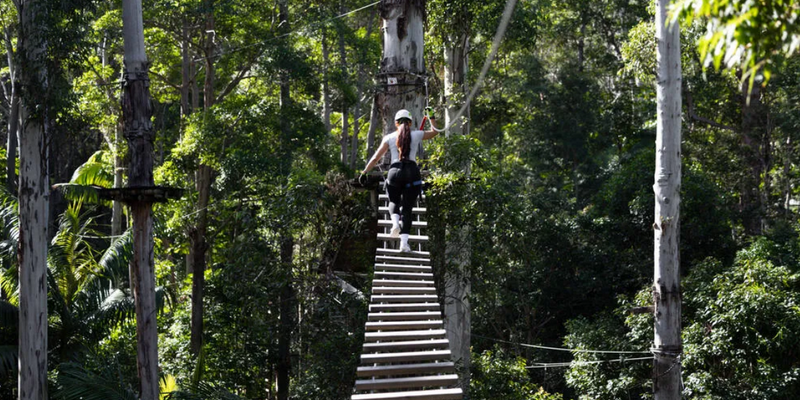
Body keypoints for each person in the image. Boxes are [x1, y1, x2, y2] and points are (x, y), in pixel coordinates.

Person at [361, 108, 441, 252]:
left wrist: (364, 172)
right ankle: (404, 244)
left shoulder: (389, 137)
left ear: (396, 123)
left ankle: (395, 223)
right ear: (410, 123)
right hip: (412, 172)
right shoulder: (416, 135)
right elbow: (435, 132)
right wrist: (432, 117)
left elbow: (375, 158)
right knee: (408, 209)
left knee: (393, 202)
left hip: (394, 172)